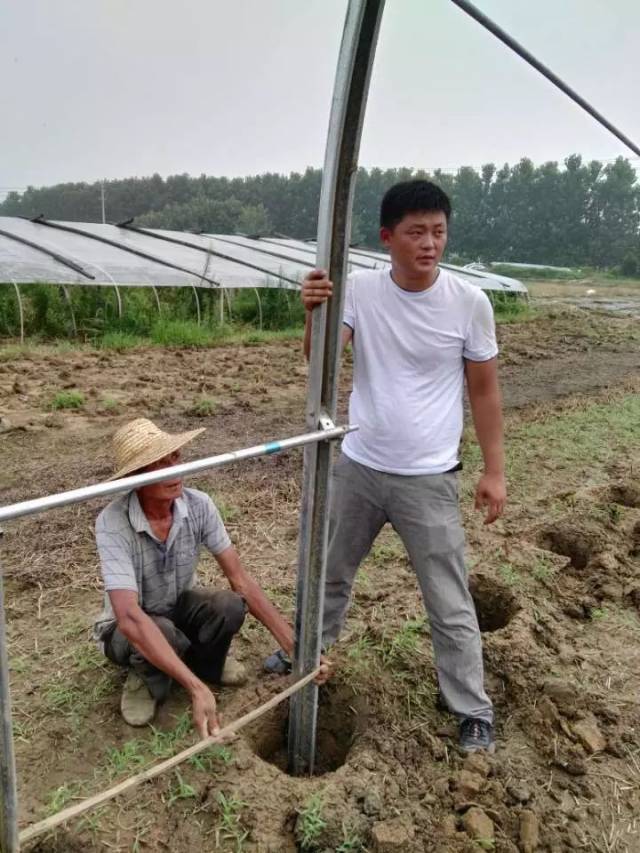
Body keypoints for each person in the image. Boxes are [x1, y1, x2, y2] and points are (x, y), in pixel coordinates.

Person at [267, 180, 506, 753]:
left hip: (429, 477)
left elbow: (485, 392)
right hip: (359, 467)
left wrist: (494, 471)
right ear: (387, 237)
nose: (430, 244)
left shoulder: (469, 303)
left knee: (448, 599)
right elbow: (319, 360)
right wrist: (313, 315)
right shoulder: (360, 292)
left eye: (439, 232)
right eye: (416, 232)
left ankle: (471, 708)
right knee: (328, 573)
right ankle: (305, 654)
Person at [94, 417, 297, 739]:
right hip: (125, 629)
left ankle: (206, 665)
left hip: (176, 607)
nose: (173, 470)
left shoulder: (198, 505)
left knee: (229, 605)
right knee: (158, 630)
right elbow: (130, 617)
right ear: (135, 477)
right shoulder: (113, 522)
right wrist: (195, 690)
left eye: (174, 458)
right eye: (158, 464)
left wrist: (292, 644)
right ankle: (146, 677)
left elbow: (240, 580)